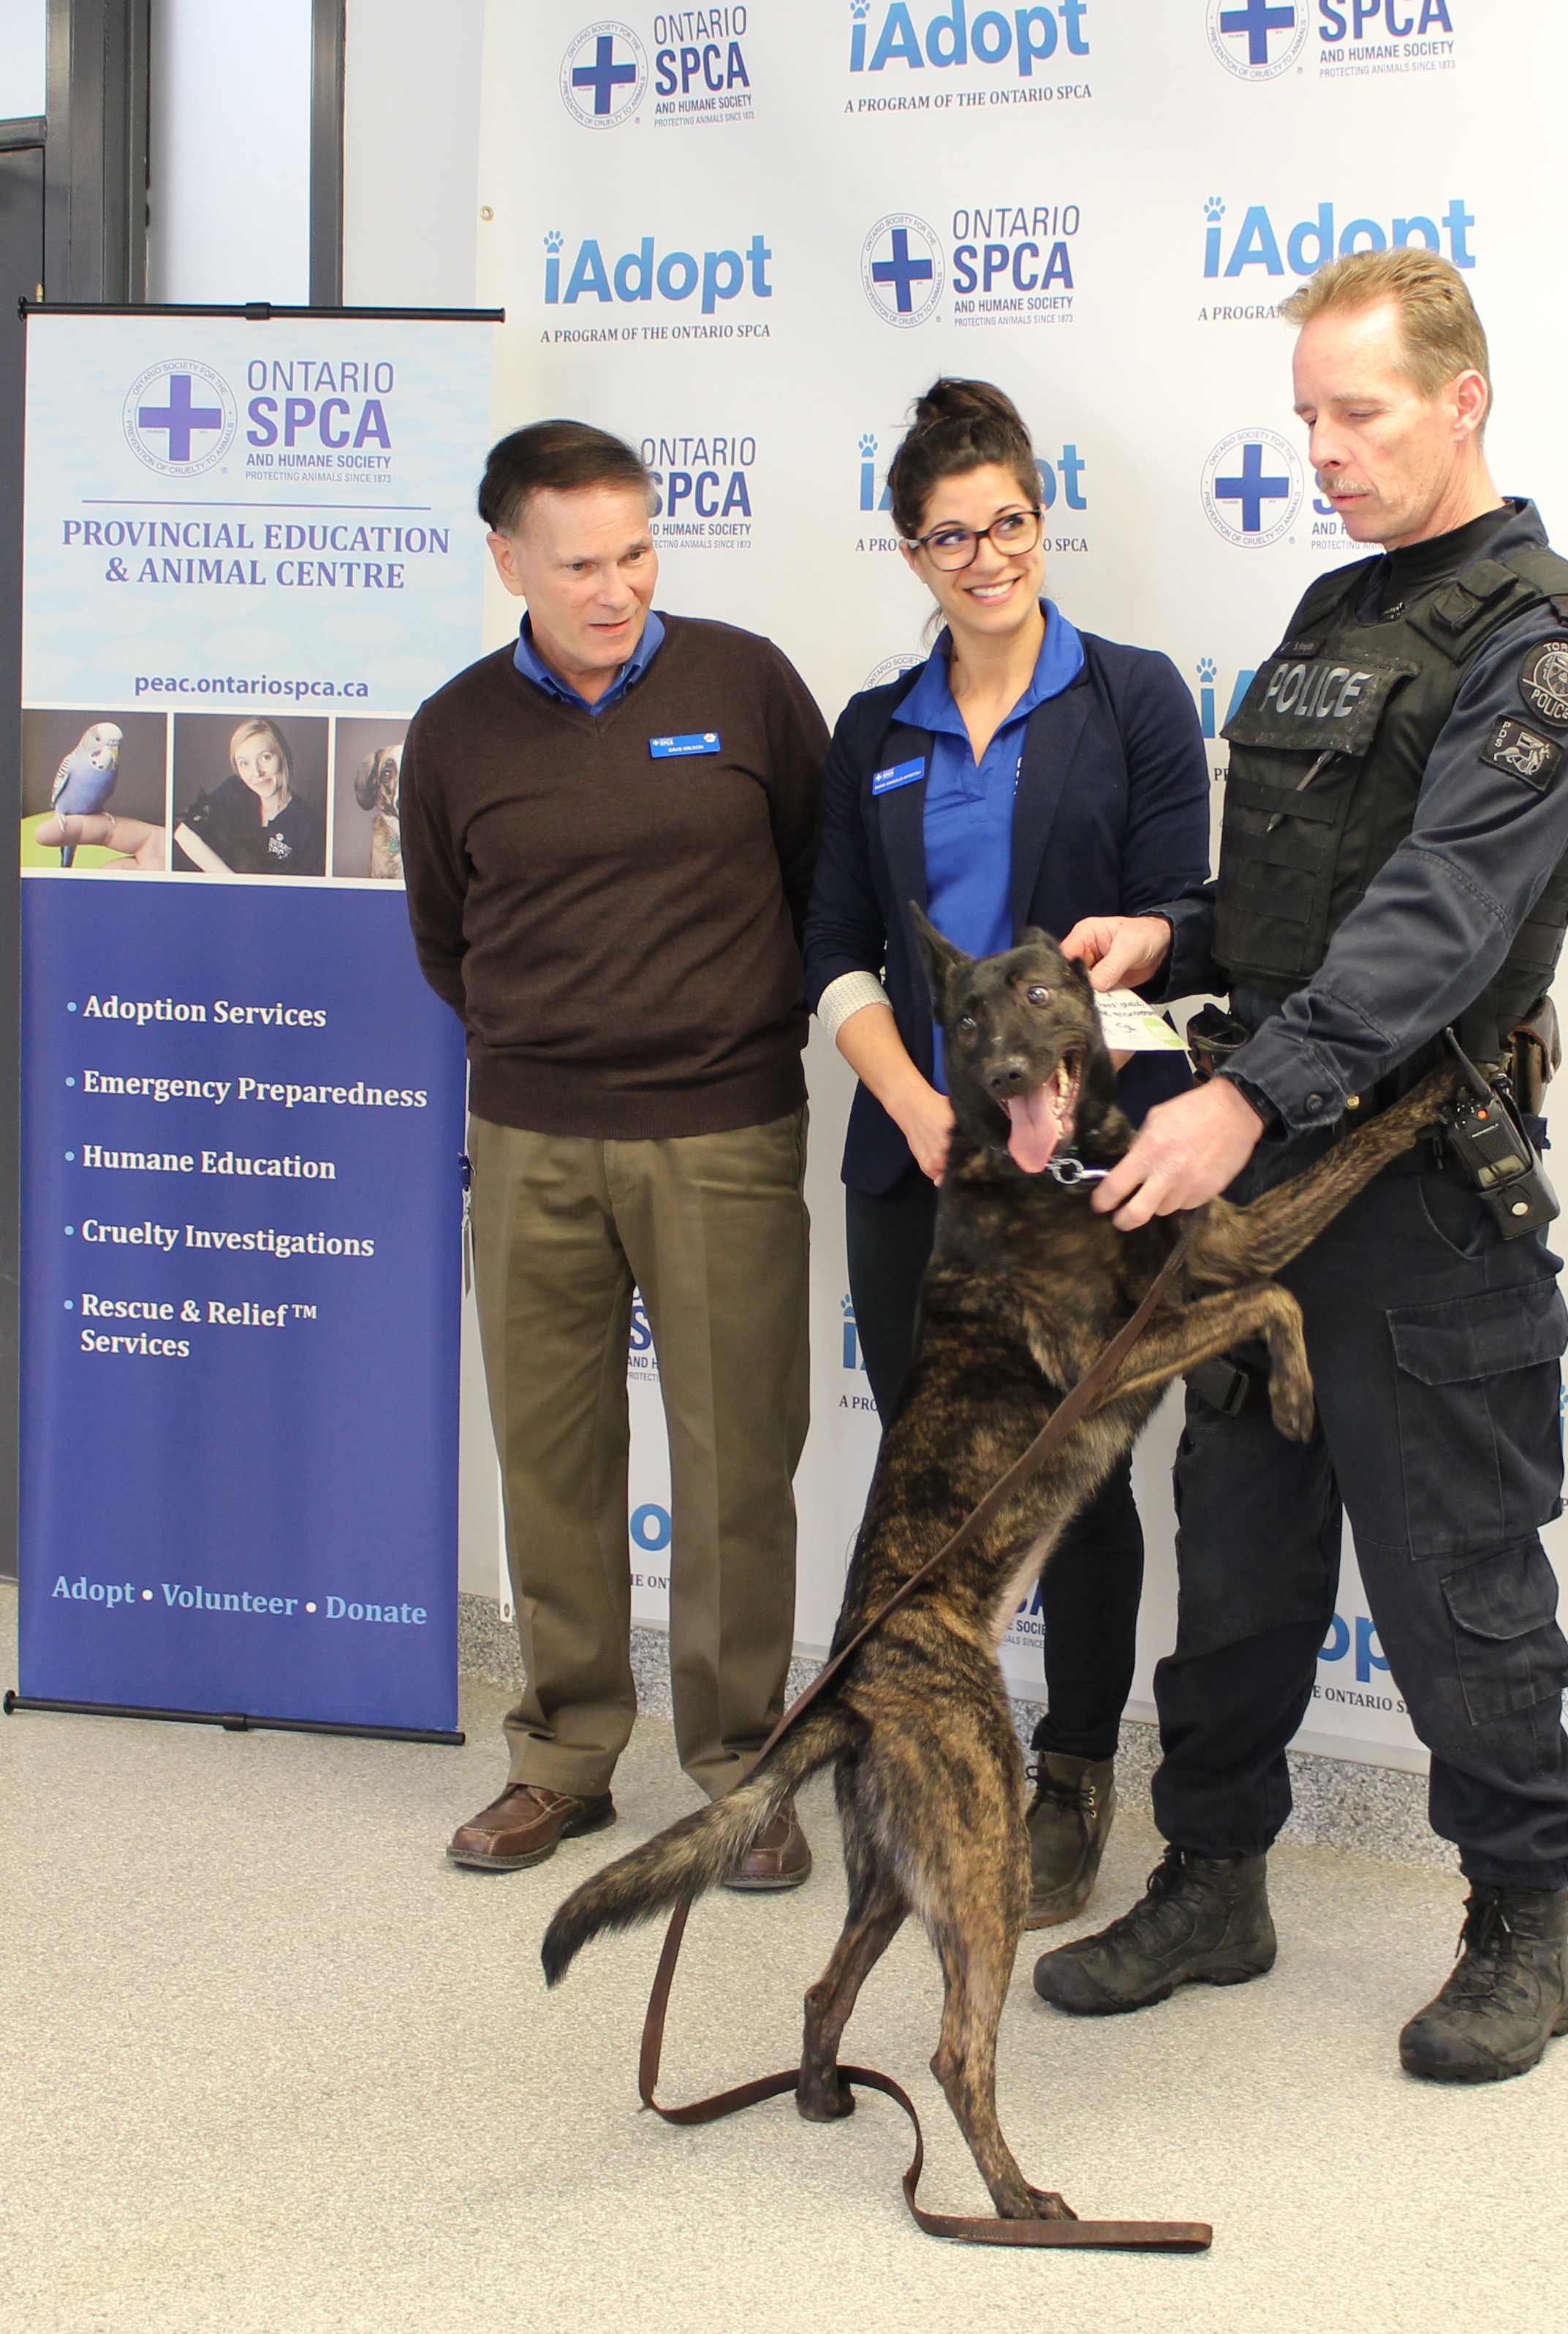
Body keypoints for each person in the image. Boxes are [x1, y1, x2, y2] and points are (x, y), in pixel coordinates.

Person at [1033, 248, 1568, 2081]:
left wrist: (1246, 1095)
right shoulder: (1331, 612)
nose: (1324, 449)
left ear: (1465, 399)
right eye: (1306, 416)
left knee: (1460, 1584)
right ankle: (1213, 1881)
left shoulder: (1548, 645)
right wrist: (1179, 937)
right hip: (1268, 1195)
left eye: (1359, 413)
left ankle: (1524, 1927)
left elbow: (1441, 917)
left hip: (1418, 1193)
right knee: (1234, 1559)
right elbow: (1301, 902)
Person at [400, 420, 827, 1885]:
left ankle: (740, 1767)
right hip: (529, 1137)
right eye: (579, 563)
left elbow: (819, 883)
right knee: (553, 1459)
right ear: (508, 559)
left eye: (636, 553)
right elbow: (446, 935)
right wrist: (552, 1043)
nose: (616, 588)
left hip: (722, 1131)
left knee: (735, 1460)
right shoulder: (455, 729)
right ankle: (564, 1759)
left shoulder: (746, 684)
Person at [804, 379, 1208, 1928]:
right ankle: (920, 1760)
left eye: (1012, 523)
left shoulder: (1131, 697)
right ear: (912, 553)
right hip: (918, 1158)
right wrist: (914, 1099)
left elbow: (1190, 912)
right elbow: (832, 948)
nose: (989, 558)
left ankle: (1076, 1772)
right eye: (952, 536)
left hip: (1081, 1170)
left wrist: (1140, 948)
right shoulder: (874, 731)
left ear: (1044, 518)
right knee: (934, 1482)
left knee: (1073, 1481)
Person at [175, 719, 325, 876]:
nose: (257, 773)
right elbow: (184, 834)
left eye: (265, 757)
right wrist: (233, 882)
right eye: (244, 763)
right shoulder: (235, 790)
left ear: (283, 755)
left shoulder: (308, 824)